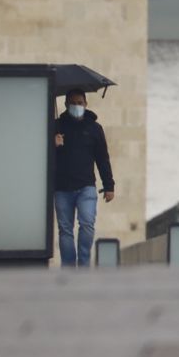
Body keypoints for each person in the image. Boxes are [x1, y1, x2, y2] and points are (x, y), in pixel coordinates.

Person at [52, 91, 114, 268]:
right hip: (62, 188)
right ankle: (69, 267)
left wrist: (109, 186)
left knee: (87, 224)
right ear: (65, 105)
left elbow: (102, 159)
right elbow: (43, 156)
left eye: (80, 102)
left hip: (86, 187)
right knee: (65, 230)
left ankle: (84, 264)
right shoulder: (56, 126)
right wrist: (53, 144)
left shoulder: (95, 129)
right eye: (72, 103)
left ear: (86, 104)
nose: (76, 106)